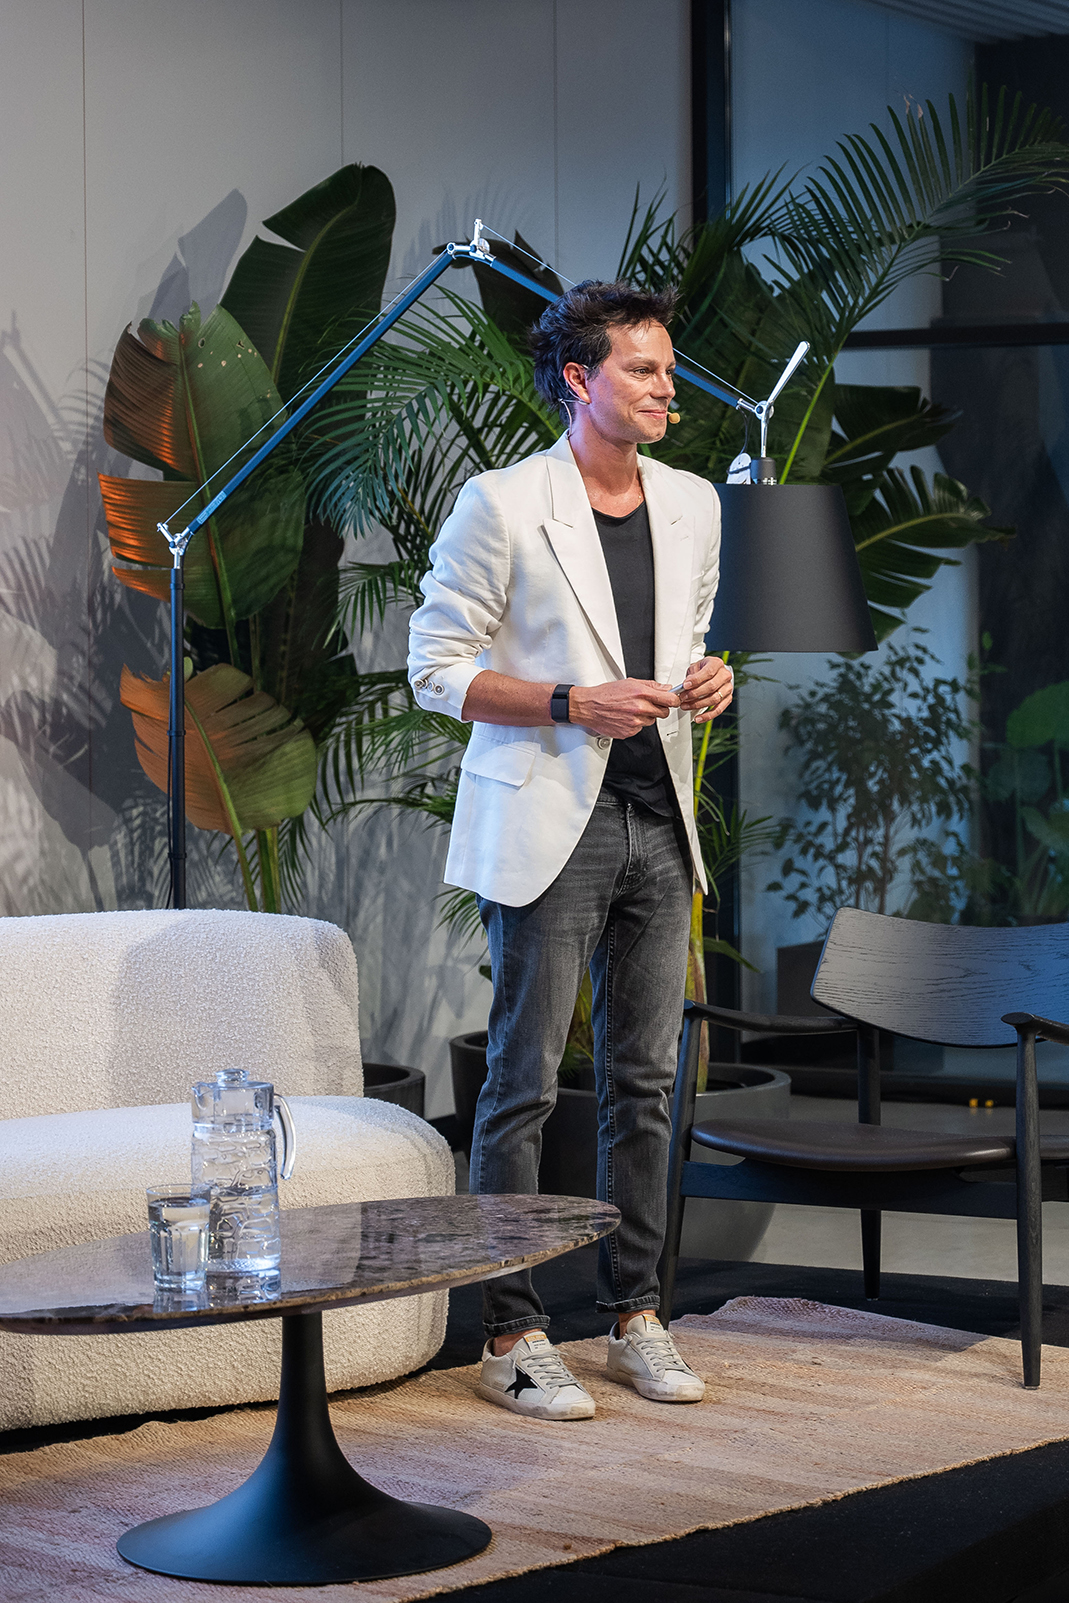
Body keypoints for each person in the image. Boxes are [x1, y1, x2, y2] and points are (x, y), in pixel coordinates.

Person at [408, 279, 732, 1420]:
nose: (665, 387)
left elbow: (686, 642)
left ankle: (636, 1313)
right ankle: (511, 1331)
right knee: (523, 1083)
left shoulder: (693, 502)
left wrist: (708, 678)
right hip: (554, 819)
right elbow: (434, 667)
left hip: (660, 818)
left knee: (645, 1082)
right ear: (579, 378)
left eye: (667, 369)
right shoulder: (503, 502)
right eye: (643, 369)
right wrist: (567, 701)